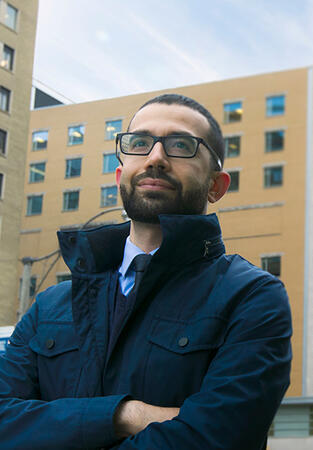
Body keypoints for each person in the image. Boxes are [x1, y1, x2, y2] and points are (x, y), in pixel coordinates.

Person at [0, 94, 293, 449]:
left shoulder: (252, 297)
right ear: (120, 175)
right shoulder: (49, 306)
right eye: (140, 143)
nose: (156, 158)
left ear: (217, 186)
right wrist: (125, 415)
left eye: (181, 145)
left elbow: (216, 439)